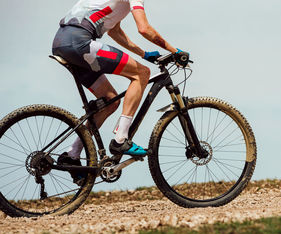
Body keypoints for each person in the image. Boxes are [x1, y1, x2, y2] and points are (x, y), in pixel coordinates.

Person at [52, 0, 188, 184]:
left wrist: (144, 54)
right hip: (80, 43)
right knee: (142, 73)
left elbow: (114, 31)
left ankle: (71, 154)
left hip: (63, 42)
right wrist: (175, 51)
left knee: (110, 101)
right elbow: (144, 29)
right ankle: (120, 138)